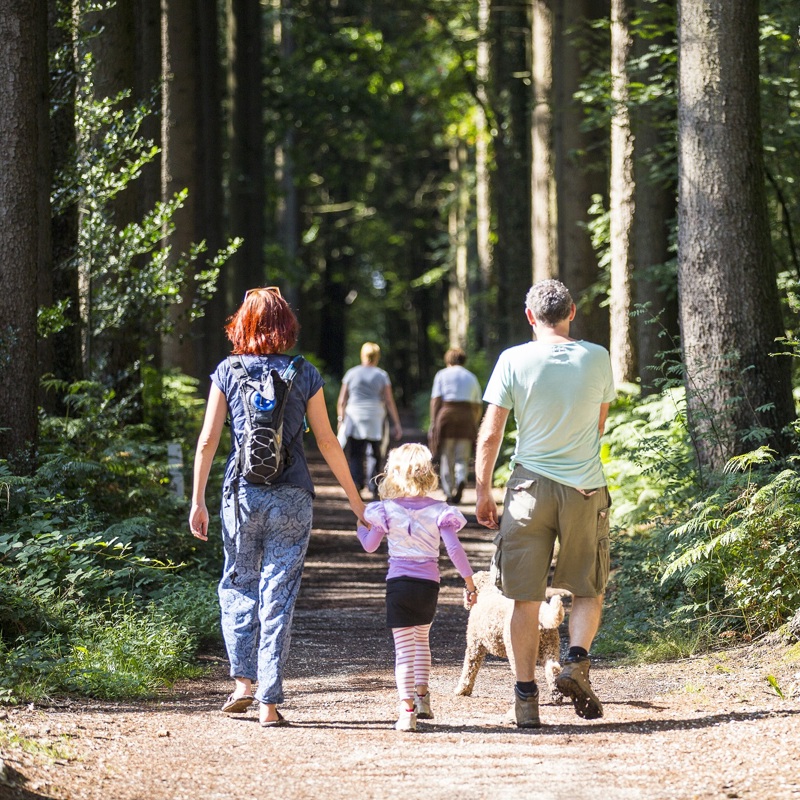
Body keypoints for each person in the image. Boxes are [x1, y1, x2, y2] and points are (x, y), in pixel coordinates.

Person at [189, 286, 365, 728]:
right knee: (278, 592)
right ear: (286, 326)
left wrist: (197, 500)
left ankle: (242, 684)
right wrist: (357, 501)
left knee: (238, 583)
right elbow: (326, 440)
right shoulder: (303, 372)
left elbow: (209, 439)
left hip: (240, 495)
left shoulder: (228, 371)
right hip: (292, 496)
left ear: (242, 325)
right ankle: (269, 703)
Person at [474, 279, 616, 729]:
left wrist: (482, 490)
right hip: (585, 490)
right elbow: (598, 424)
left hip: (526, 492)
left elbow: (492, 432)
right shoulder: (597, 357)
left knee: (524, 597)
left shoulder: (512, 359)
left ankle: (525, 698)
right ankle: (575, 662)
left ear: (529, 316)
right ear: (572, 312)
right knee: (589, 587)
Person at [356, 443, 477, 732]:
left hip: (399, 585)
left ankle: (406, 709)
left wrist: (361, 527)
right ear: (428, 474)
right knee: (421, 640)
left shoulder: (385, 510)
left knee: (403, 650)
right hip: (428, 586)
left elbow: (370, 546)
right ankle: (423, 699)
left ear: (393, 474)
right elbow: (454, 550)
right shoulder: (440, 511)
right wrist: (469, 582)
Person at [337, 342, 403, 500]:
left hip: (355, 417)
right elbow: (389, 400)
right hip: (375, 418)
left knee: (355, 453)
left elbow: (342, 400)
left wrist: (341, 419)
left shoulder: (351, 373)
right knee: (375, 453)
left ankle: (356, 484)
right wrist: (396, 423)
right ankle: (374, 486)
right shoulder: (382, 375)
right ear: (377, 356)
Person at [428, 347, 483, 504]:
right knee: (462, 457)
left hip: (447, 418)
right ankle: (461, 479)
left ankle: (448, 490)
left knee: (447, 456)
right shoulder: (471, 377)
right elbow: (478, 404)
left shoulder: (442, 375)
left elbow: (436, 400)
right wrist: (474, 421)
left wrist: (434, 422)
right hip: (466, 418)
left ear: (448, 360)